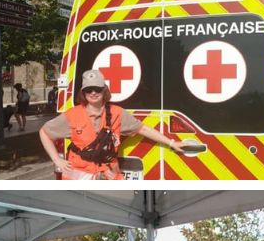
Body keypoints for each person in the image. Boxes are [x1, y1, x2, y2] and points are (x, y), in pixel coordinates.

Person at [39, 68, 188, 179]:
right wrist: (57, 159)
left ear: (104, 91)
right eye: (88, 89)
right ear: (83, 93)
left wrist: (172, 143)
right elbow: (44, 133)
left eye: (97, 88)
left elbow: (143, 129)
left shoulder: (117, 113)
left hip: (109, 173)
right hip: (79, 176)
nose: (93, 93)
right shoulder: (72, 115)